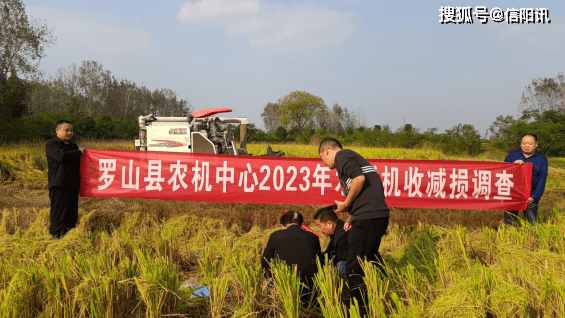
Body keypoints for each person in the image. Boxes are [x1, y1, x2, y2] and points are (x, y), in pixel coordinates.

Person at [318, 137, 389, 316]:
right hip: (373, 215)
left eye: (322, 158)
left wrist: (345, 203)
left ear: (326, 151)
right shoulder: (352, 158)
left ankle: (360, 311)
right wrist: (351, 217)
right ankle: (382, 296)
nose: (324, 164)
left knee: (353, 266)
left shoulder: (342, 156)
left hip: (369, 216)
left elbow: (359, 178)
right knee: (369, 259)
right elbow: (365, 193)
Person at [261, 211, 321, 306]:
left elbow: (265, 261)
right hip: (309, 291)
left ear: (282, 225)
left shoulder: (276, 236)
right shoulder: (313, 237)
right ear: (301, 225)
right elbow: (319, 262)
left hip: (283, 288)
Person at [45, 120, 84, 238]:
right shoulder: (52, 144)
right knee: (59, 215)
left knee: (72, 215)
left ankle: (69, 237)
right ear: (57, 130)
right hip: (59, 185)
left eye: (71, 130)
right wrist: (78, 152)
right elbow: (62, 157)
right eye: (66, 130)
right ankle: (55, 238)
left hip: (73, 185)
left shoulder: (73, 146)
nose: (69, 133)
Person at [504, 134, 548, 226]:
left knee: (531, 221)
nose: (527, 146)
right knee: (510, 219)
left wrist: (535, 196)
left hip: (531, 193)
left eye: (530, 143)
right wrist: (513, 165)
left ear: (536, 144)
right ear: (520, 144)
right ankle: (510, 236)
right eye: (524, 143)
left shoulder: (542, 159)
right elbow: (503, 171)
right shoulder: (512, 155)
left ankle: (531, 237)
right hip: (513, 191)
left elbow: (542, 179)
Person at [314, 205, 349, 279]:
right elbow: (327, 253)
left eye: (319, 226)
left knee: (340, 266)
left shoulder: (343, 234)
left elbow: (340, 258)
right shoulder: (336, 232)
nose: (319, 230)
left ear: (330, 224)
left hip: (353, 266)